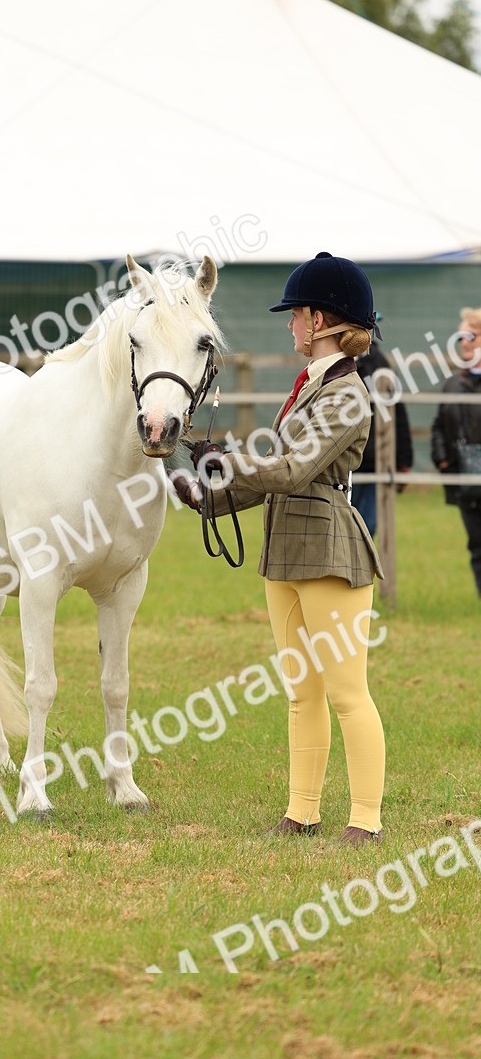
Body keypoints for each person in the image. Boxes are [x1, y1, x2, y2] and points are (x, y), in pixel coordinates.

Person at [172, 252, 386, 846]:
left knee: (346, 692)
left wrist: (228, 463)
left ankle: (365, 820)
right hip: (285, 551)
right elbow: (275, 475)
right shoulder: (307, 389)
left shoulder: (346, 396)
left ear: (321, 320)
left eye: (296, 314)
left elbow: (293, 470)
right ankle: (302, 812)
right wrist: (207, 494)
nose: (289, 323)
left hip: (328, 553)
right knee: (301, 691)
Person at [431, 308, 481, 597]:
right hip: (465, 479)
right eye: (461, 337)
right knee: (476, 543)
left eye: (471, 336)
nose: (464, 343)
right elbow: (438, 426)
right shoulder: (452, 383)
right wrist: (443, 460)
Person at [352, 339, 413, 536]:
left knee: (368, 523)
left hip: (376, 460)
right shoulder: (334, 364)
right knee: (345, 522)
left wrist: (403, 459)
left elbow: (398, 411)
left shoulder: (378, 363)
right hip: (346, 463)